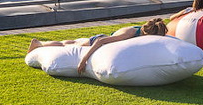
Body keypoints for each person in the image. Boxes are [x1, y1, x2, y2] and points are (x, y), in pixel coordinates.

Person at [26, 17, 169, 74]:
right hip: (98, 40)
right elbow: (101, 42)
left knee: (71, 42)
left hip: (105, 42)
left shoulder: (144, 35)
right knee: (68, 44)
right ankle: (39, 44)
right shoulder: (131, 33)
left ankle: (40, 43)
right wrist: (84, 60)